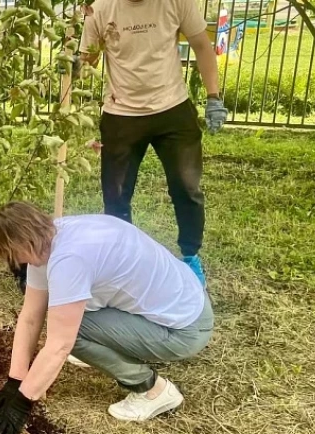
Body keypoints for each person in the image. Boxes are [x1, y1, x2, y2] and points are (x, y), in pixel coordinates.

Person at [0, 202, 214, 434]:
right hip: (186, 300)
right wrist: (15, 380)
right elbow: (30, 316)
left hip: (185, 329)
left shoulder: (69, 259)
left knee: (72, 332)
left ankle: (153, 390)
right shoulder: (51, 238)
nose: (14, 263)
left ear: (22, 244)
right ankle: (106, 349)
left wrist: (22, 404)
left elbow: (59, 345)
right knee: (66, 322)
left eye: (11, 255)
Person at [79, 0, 229, 286]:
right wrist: (76, 57)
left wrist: (213, 97)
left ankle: (190, 258)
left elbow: (201, 44)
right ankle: (123, 262)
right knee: (116, 195)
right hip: (121, 115)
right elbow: (88, 59)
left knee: (187, 188)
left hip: (173, 109)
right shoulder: (100, 8)